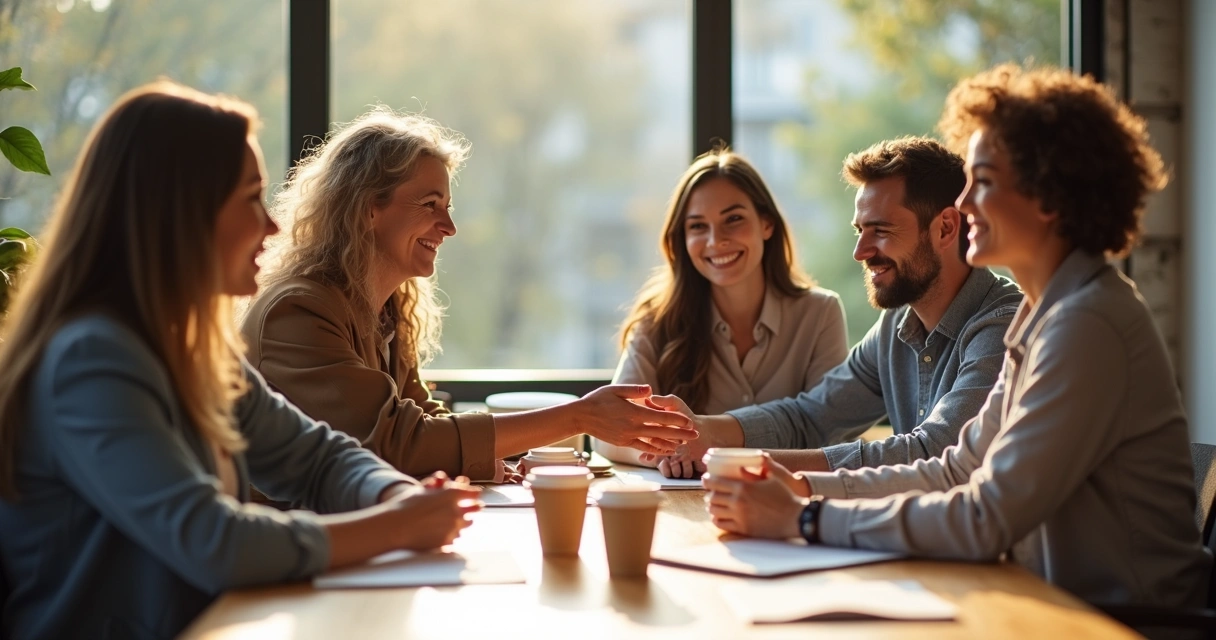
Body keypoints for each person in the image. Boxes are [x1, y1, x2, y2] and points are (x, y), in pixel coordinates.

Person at [703, 64, 1210, 610]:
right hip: (1049, 607)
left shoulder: (1086, 324)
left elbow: (984, 515)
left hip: (1128, 626)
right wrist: (803, 490)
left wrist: (804, 516)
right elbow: (956, 470)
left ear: (1049, 196)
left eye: (984, 181)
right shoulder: (1045, 314)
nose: (964, 205)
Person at [0, 82, 484, 640]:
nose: (272, 225)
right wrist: (395, 526)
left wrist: (393, 493)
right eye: (250, 199)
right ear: (180, 213)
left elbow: (316, 457)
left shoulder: (193, 352)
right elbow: (215, 544)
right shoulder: (90, 362)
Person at [241, 107, 696, 483]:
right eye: (430, 205)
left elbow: (422, 418)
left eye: (448, 207)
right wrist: (579, 417)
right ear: (368, 210)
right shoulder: (298, 312)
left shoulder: (385, 310)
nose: (449, 227)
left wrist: (485, 461)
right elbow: (396, 444)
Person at [649, 136, 1022, 478]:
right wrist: (703, 431)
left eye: (881, 230)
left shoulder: (1003, 326)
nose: (860, 252)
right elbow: (810, 416)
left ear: (944, 229)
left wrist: (739, 462)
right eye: (860, 231)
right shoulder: (895, 326)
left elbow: (936, 453)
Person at [593, 148, 848, 467]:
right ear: (682, 239)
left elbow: (830, 432)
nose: (716, 240)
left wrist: (715, 454)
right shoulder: (657, 321)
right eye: (698, 226)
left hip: (786, 502)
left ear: (766, 224)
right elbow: (606, 433)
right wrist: (669, 454)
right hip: (684, 508)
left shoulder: (820, 314)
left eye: (734, 219)